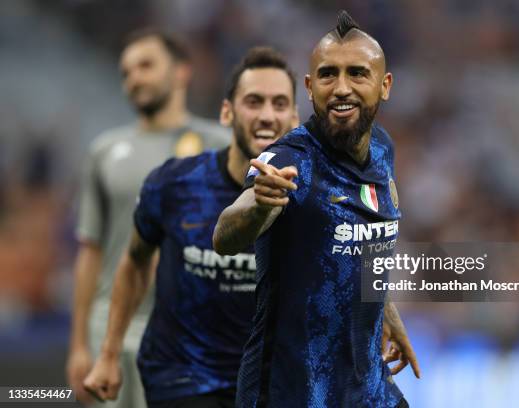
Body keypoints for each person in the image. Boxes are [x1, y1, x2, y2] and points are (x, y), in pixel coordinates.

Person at [213, 11, 420, 408]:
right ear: (309, 87)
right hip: (293, 393)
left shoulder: (381, 147)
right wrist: (259, 206)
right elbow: (225, 235)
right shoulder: (291, 160)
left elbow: (365, 239)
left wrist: (385, 312)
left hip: (366, 389)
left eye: (357, 74)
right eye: (328, 75)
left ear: (385, 85)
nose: (341, 88)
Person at [83, 47, 299, 408]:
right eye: (253, 101)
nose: (266, 115)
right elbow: (134, 261)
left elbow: (361, 244)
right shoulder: (174, 183)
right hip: (180, 377)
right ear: (227, 112)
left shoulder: (309, 196)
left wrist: (384, 311)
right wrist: (108, 354)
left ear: (294, 118)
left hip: (265, 384)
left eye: (279, 104)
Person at [66, 29, 230, 407]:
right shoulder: (104, 151)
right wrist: (78, 346)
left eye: (145, 65)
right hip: (111, 330)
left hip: (191, 332)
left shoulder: (220, 145)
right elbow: (90, 249)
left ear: (181, 72)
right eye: (126, 72)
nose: (134, 78)